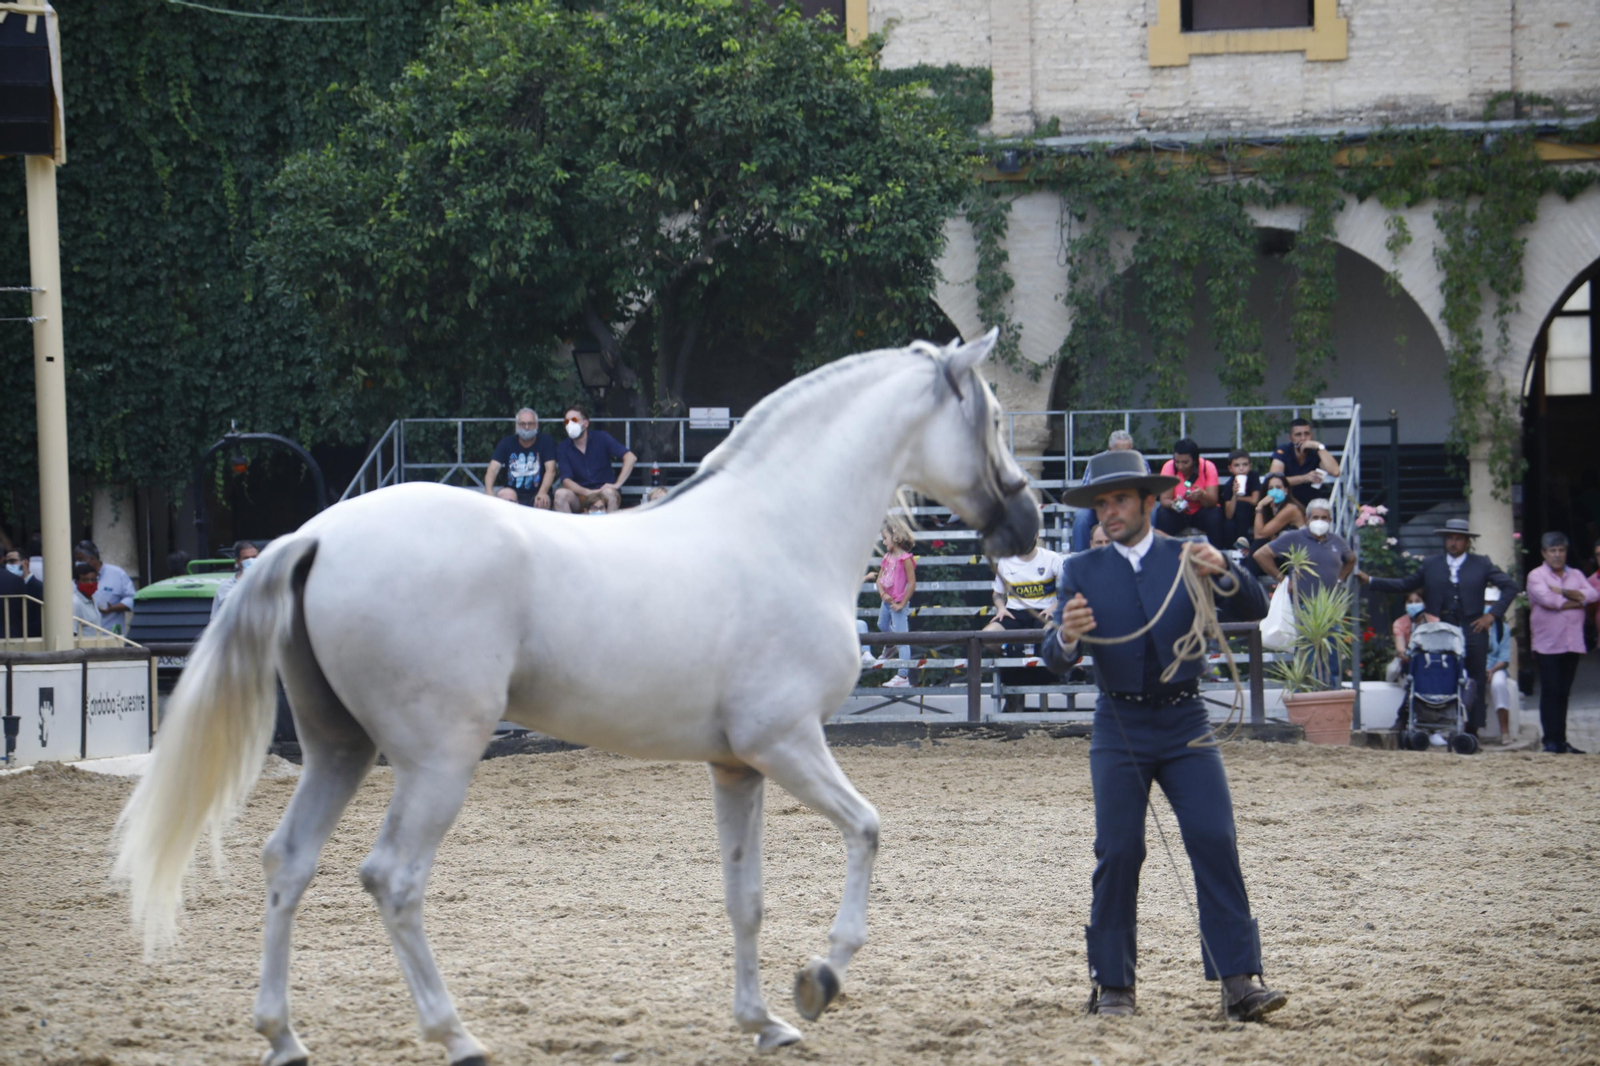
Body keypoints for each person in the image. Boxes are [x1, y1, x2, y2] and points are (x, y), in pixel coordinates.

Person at [1040, 448, 1284, 1022]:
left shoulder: (1188, 555)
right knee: (1118, 850)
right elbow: (1052, 655)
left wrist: (1224, 569)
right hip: (1117, 723)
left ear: (1152, 501)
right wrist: (1068, 639)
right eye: (1101, 503)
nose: (1109, 512)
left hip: (1186, 723)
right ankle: (1114, 985)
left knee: (1213, 837)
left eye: (1120, 499)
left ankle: (1239, 982)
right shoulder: (1080, 569)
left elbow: (1253, 606)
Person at [1359, 518, 1520, 738]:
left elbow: (1510, 587)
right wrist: (1371, 581)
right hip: (1441, 627)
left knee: (1476, 678)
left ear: (1467, 542)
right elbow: (1405, 584)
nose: (1453, 543)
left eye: (1458, 539)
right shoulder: (1431, 564)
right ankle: (1407, 719)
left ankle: (1472, 731)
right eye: (1449, 538)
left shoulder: (1481, 563)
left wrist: (1491, 615)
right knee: (1428, 668)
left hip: (1474, 626)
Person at [1525, 532, 1597, 753]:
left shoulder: (1575, 574)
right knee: (1551, 690)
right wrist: (1577, 600)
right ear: (1544, 553)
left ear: (1566, 552)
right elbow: (1549, 600)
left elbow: (1593, 595)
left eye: (1561, 550)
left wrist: (1564, 592)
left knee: (1564, 691)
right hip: (1548, 643)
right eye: (1553, 551)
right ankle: (1550, 740)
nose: (1557, 555)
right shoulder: (1536, 575)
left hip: (1572, 642)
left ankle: (1562, 739)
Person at [985, 527, 1066, 712]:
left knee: (1050, 632)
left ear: (1036, 534)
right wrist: (1001, 608)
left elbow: (1068, 590)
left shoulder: (1052, 558)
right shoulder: (1005, 562)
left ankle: (1051, 675)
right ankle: (1013, 682)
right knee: (988, 636)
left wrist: (1053, 607)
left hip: (1044, 611)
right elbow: (997, 593)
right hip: (1015, 612)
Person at [1252, 498, 1355, 598]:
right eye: (1315, 517)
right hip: (1300, 602)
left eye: (1324, 518)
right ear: (1307, 519)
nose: (1320, 521)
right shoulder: (1294, 537)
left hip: (1329, 604)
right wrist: (1283, 580)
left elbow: (1351, 559)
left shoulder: (1336, 540)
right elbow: (1261, 555)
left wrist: (1341, 579)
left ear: (1330, 520)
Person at [554, 405, 636, 514]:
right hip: (581, 496)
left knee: (610, 494)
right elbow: (566, 481)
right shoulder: (563, 447)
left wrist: (617, 484)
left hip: (605, 492)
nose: (570, 424)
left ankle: (610, 530)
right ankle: (570, 531)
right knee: (560, 495)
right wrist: (586, 492)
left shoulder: (601, 438)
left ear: (586, 423)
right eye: (566, 421)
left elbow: (630, 457)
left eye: (573, 420)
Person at [1072, 430, 1142, 552]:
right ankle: (1080, 558)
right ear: (1110, 449)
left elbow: (1145, 491)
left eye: (1127, 450)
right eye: (1119, 451)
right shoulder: (1096, 462)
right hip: (1099, 504)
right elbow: (1086, 490)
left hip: (1129, 505)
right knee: (1081, 516)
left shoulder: (1139, 461)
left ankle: (1144, 555)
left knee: (1151, 512)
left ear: (1131, 448)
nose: (1123, 455)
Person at [866, 525, 917, 688]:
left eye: (885, 538)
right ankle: (890, 645)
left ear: (895, 539)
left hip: (897, 604)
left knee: (903, 639)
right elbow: (879, 579)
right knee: (882, 625)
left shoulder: (906, 559)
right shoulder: (887, 557)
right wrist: (883, 595)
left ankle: (903, 676)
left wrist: (901, 603)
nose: (883, 541)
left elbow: (912, 583)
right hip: (887, 601)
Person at [1155, 438, 1224, 546]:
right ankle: (1163, 550)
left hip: (1200, 511)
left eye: (1185, 462)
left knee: (1215, 515)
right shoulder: (1169, 467)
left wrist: (1203, 495)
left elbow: (1213, 501)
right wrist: (1175, 505)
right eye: (1177, 462)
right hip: (1179, 513)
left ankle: (1216, 552)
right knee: (1163, 514)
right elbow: (1164, 500)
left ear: (1195, 460)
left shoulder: (1207, 467)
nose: (1180, 466)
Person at [485, 408, 557, 508]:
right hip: (512, 492)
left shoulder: (546, 441)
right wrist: (489, 491)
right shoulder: (506, 442)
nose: (526, 427)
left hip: (537, 492)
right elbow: (493, 469)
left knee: (542, 501)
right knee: (504, 496)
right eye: (522, 424)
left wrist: (542, 492)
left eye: (530, 423)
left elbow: (551, 470)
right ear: (516, 425)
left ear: (536, 425)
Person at [1268, 418, 1340, 509]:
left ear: (1311, 436)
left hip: (1312, 505)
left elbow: (1335, 471)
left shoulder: (1316, 453)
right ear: (1290, 438)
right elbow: (1274, 480)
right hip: (1287, 503)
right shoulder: (1284, 451)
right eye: (1298, 435)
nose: (1303, 438)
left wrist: (1318, 446)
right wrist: (1305, 478)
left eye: (1306, 434)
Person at [75, 539, 135, 635]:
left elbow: (132, 599)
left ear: (92, 559)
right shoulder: (76, 578)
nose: (77, 563)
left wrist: (113, 608)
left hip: (112, 638)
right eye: (76, 560)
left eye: (80, 559)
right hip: (86, 641)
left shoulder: (117, 574)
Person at [1482, 587, 1515, 745]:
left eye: (1492, 603)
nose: (1488, 606)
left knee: (1499, 684)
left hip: (1496, 667)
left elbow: (1504, 657)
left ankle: (1505, 731)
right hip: (1475, 667)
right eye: (1486, 602)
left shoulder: (1503, 628)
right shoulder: (1470, 625)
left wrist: (1491, 670)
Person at [1251, 473, 1305, 554]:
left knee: (1259, 545)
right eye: (1271, 488)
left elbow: (1259, 535)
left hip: (1299, 549)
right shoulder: (1273, 508)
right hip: (1286, 547)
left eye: (1278, 487)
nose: (1274, 491)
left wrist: (1259, 506)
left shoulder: (1290, 508)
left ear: (1286, 490)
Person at [1217, 449, 1262, 548]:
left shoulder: (1253, 477)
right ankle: (1235, 549)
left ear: (1250, 466)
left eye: (1245, 465)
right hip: (1236, 518)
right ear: (1230, 468)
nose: (1241, 469)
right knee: (1229, 524)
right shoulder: (1229, 485)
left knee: (1242, 506)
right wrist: (1234, 496)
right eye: (1237, 465)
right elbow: (1229, 515)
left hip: (1253, 514)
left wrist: (1239, 499)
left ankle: (1244, 543)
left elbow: (1254, 500)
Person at [1, 544, 44, 640]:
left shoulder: (38, 588)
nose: (9, 565)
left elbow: (37, 619)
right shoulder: (9, 585)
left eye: (13, 561)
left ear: (25, 563)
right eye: (7, 562)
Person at [211, 541, 261, 618]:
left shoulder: (269, 584)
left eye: (254, 557)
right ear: (238, 561)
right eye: (246, 558)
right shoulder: (225, 588)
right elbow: (215, 619)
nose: (251, 561)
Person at [1385, 590, 1426, 683]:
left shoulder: (1433, 621)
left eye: (1417, 601)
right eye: (1410, 602)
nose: (1413, 605)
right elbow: (1400, 649)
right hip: (1410, 663)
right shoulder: (1400, 623)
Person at [71, 560, 105, 635]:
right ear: (76, 582)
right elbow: (72, 633)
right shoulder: (75, 603)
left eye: (93, 580)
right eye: (85, 580)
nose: (90, 583)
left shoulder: (92, 599)